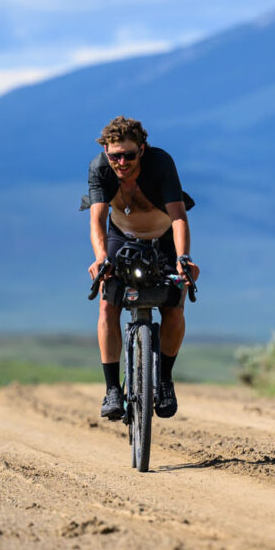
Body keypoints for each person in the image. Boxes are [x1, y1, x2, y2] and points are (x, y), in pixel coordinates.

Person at [83, 116, 198, 420]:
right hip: (121, 239)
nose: (121, 162)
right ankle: (111, 390)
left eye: (128, 155)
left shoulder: (160, 164)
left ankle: (164, 382)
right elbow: (96, 220)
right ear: (106, 154)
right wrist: (99, 258)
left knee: (175, 307)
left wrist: (183, 258)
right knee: (108, 306)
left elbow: (178, 216)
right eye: (114, 156)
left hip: (163, 240)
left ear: (142, 150)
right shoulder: (100, 169)